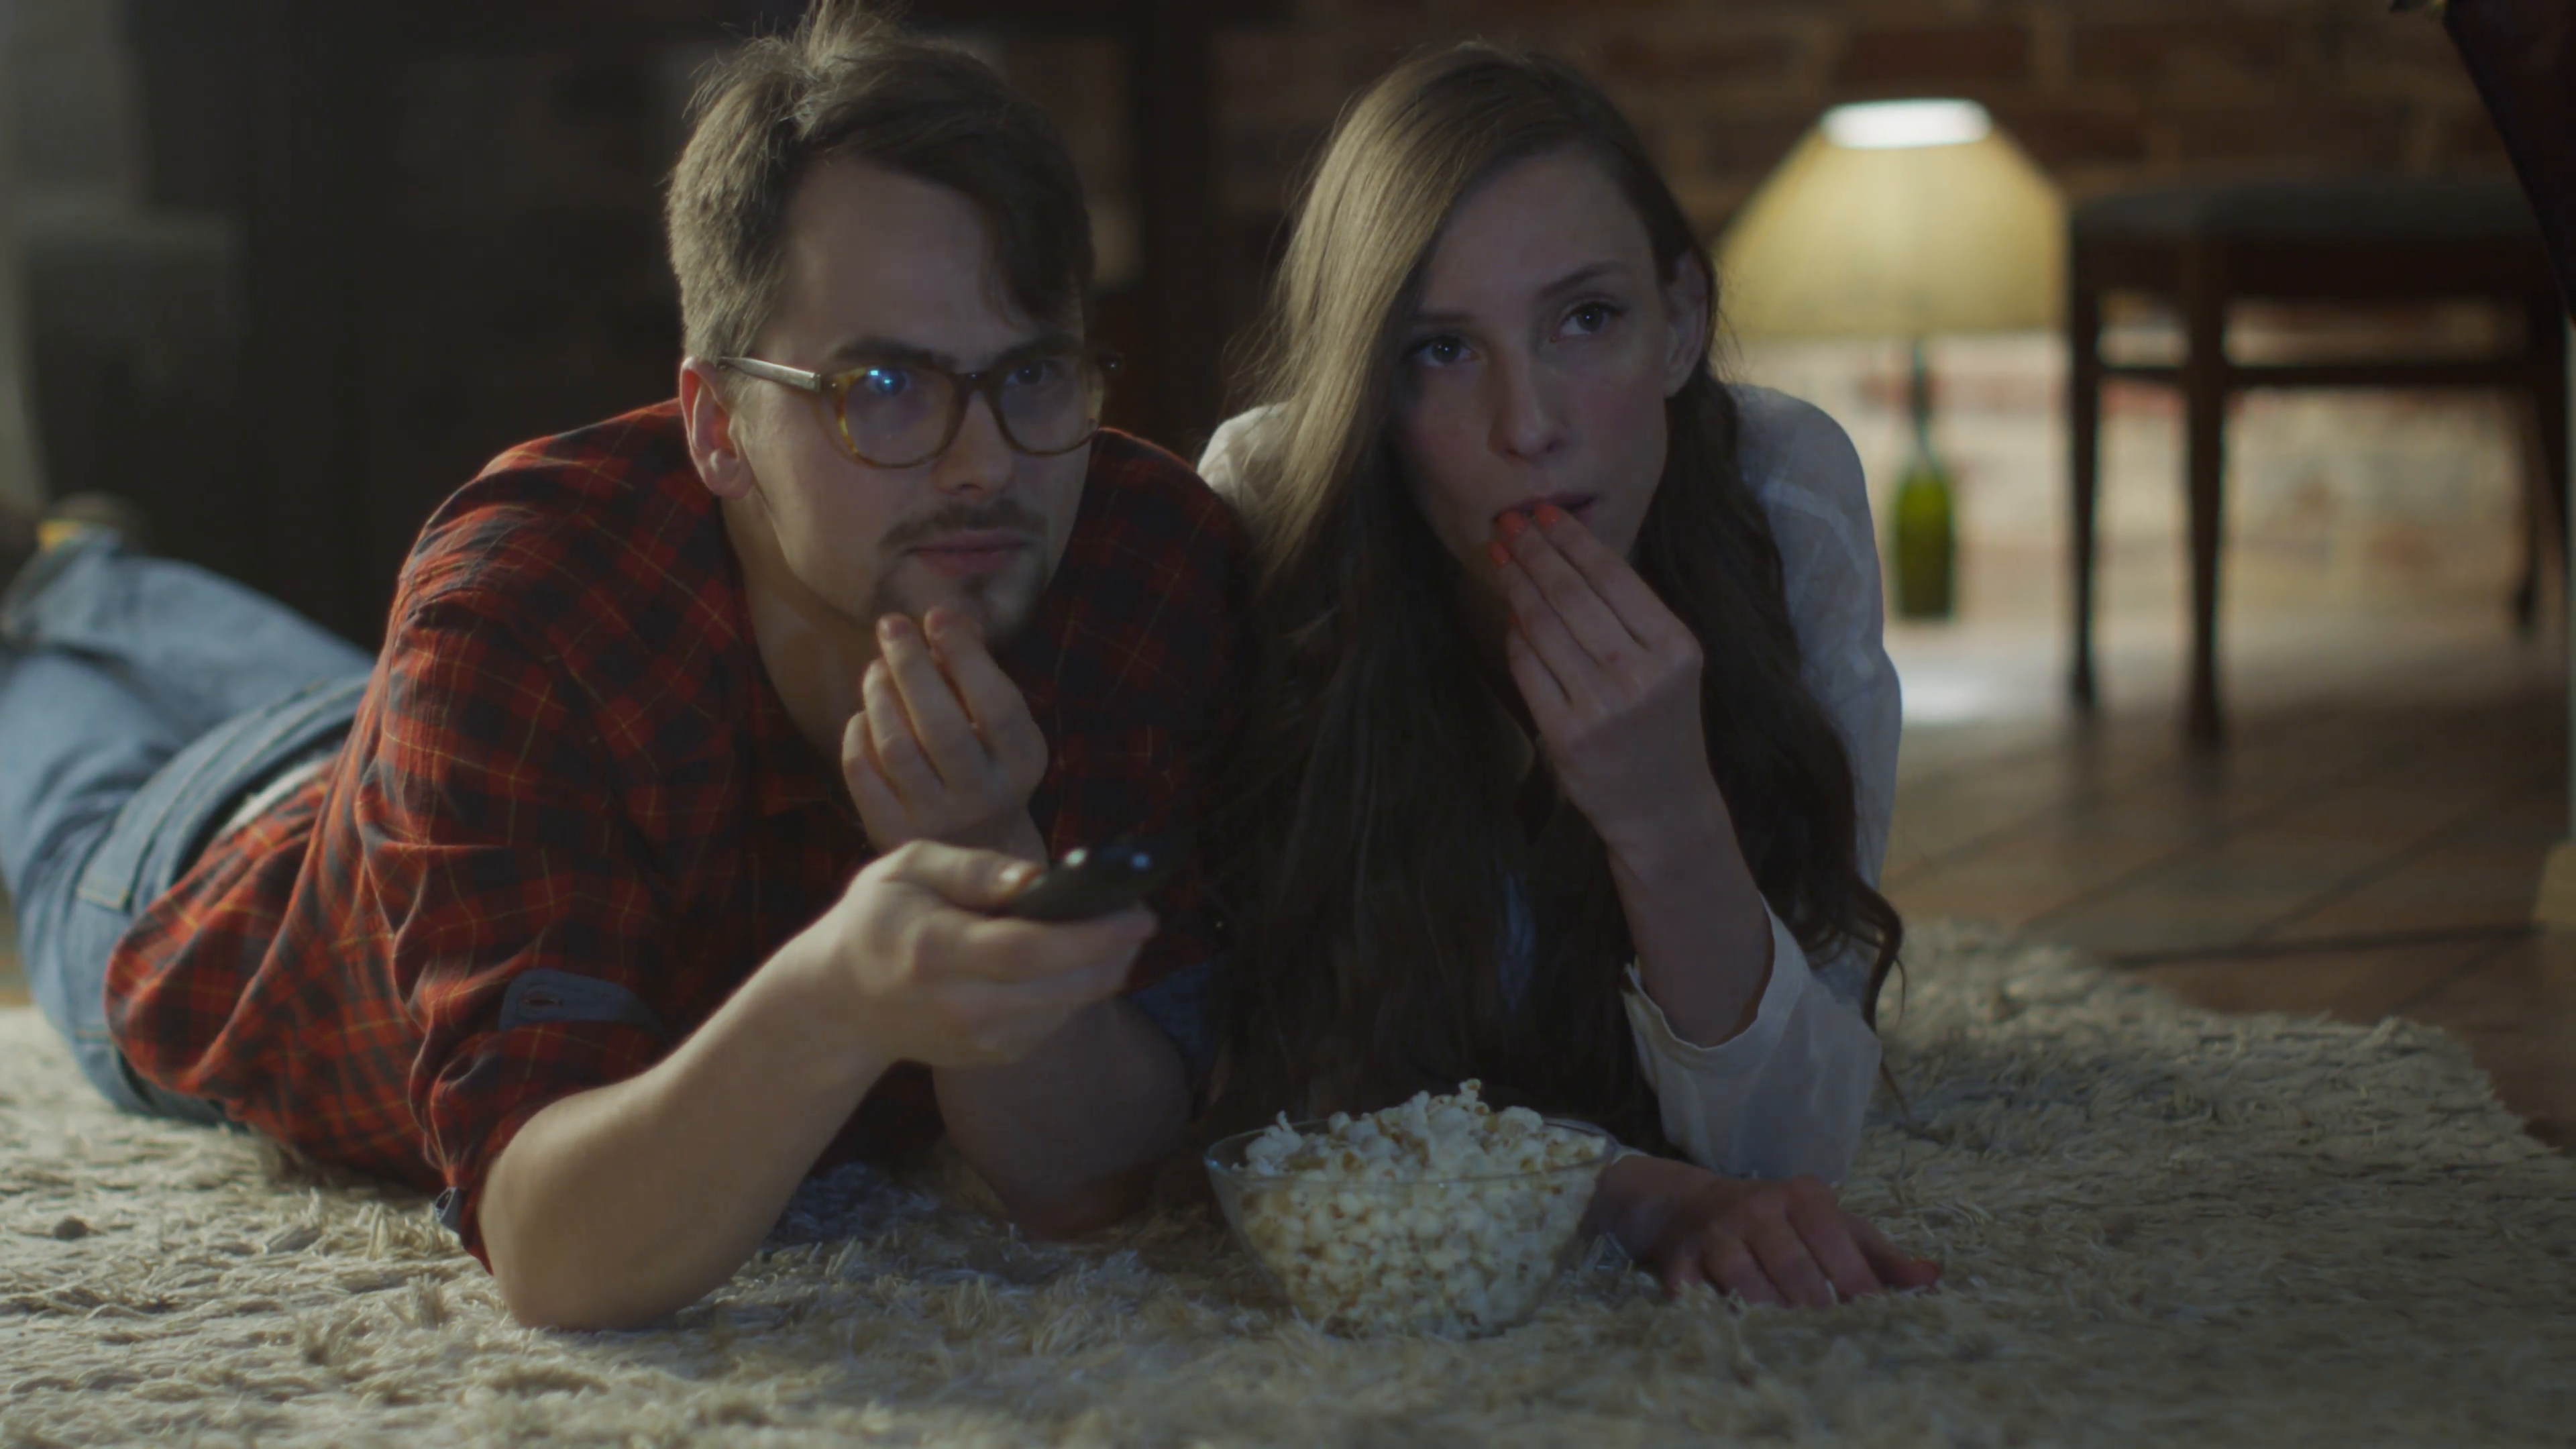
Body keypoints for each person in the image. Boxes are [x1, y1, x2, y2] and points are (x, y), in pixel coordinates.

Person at [0, 3, 1240, 1331]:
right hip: (206, 874)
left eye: (1034, 374)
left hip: (394, 740)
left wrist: (992, 845)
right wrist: (832, 998)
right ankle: (64, 585)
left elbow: (1083, 1186)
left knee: (307, 683)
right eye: (883, 383)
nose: (987, 460)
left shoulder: (1135, 553)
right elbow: (553, 1250)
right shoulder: (523, 598)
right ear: (716, 425)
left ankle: (88, 570)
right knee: (42, 707)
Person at [1197, 43, 1941, 1310]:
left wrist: (1666, 814)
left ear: (1682, 324)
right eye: (1440, 349)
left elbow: (1793, 1157)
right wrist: (1633, 1193)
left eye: (1586, 319)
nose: (1527, 423)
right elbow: (1267, 1121)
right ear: (1367, 391)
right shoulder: (1269, 505)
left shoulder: (1782, 495)